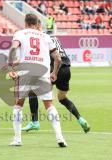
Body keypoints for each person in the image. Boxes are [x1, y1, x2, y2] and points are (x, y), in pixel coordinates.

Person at [7, 14, 67, 147]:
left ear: (26, 23)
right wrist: (54, 73)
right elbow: (58, 59)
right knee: (49, 105)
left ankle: (17, 139)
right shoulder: (45, 36)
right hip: (43, 72)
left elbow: (13, 48)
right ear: (36, 23)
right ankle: (60, 137)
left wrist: (10, 67)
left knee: (18, 104)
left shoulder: (20, 33)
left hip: (25, 72)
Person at [22, 22, 90, 133]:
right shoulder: (55, 38)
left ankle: (34, 122)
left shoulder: (42, 37)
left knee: (32, 92)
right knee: (62, 98)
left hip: (55, 69)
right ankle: (80, 119)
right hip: (66, 69)